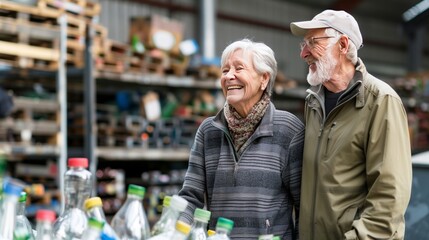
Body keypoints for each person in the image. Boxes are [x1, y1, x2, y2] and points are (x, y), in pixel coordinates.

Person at [290, 10, 412, 240]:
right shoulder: (313, 102)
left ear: (343, 45)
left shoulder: (381, 101)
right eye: (303, 45)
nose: (304, 53)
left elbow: (389, 198)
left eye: (312, 43)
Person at [178, 38, 304, 239]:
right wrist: (173, 230)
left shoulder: (288, 130)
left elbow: (304, 207)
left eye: (239, 68)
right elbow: (190, 197)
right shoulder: (209, 131)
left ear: (264, 79)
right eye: (225, 70)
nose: (229, 76)